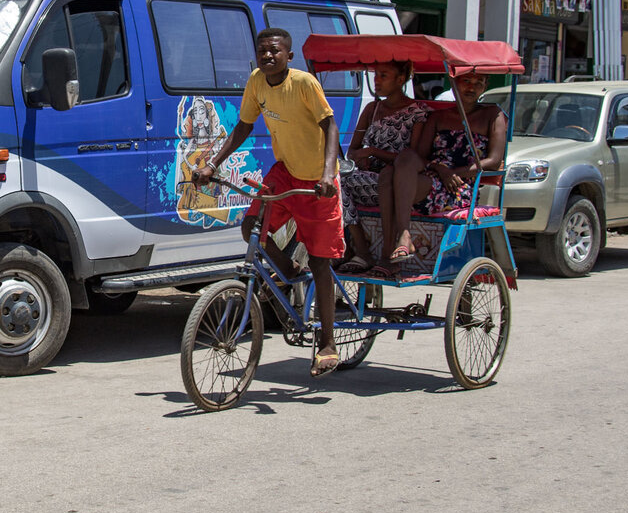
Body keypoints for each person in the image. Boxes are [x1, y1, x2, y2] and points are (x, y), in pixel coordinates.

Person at [193, 28, 345, 378]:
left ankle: (327, 343)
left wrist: (326, 174)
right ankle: (291, 273)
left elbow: (331, 126)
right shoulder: (257, 82)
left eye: (275, 51)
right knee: (251, 227)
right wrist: (212, 163)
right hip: (286, 172)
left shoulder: (304, 83)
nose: (268, 56)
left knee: (321, 263)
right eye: (262, 51)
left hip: (318, 182)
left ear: (289, 56)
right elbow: (243, 127)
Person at [377, 71, 507, 275]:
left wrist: (454, 173)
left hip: (459, 187)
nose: (471, 87)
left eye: (478, 83)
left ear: (485, 86)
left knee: (391, 178)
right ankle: (396, 243)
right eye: (466, 82)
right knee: (394, 167)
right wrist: (441, 170)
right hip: (434, 176)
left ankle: (397, 244)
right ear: (455, 84)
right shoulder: (438, 116)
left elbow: (494, 160)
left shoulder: (493, 114)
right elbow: (420, 156)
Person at [337, 61, 430, 274]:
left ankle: (384, 249)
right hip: (368, 179)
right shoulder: (372, 109)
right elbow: (353, 151)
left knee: (388, 175)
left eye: (383, 76)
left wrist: (373, 152)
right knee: (333, 179)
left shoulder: (417, 112)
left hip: (400, 182)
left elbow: (414, 157)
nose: (377, 81)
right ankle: (360, 247)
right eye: (376, 75)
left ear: (400, 80)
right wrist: (360, 157)